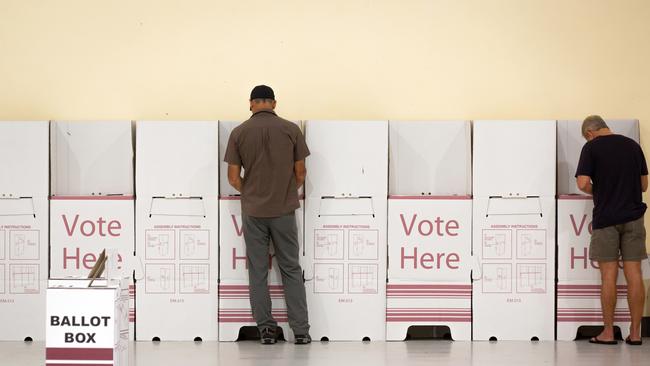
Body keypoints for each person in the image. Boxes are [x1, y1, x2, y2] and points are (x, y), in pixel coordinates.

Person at [224, 85, 311, 345]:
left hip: (254, 212)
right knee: (291, 269)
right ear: (273, 103)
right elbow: (301, 174)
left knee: (258, 271)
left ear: (251, 103)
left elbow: (232, 178)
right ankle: (301, 332)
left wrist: (252, 192)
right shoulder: (291, 130)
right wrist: (283, 192)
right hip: (283, 210)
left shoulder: (238, 133)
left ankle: (265, 330)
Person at [576, 115, 648, 346]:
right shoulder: (633, 146)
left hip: (606, 218)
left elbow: (583, 183)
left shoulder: (591, 147)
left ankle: (608, 333)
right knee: (634, 274)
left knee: (608, 275)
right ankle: (636, 333)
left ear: (589, 133)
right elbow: (644, 185)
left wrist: (601, 191)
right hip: (634, 217)